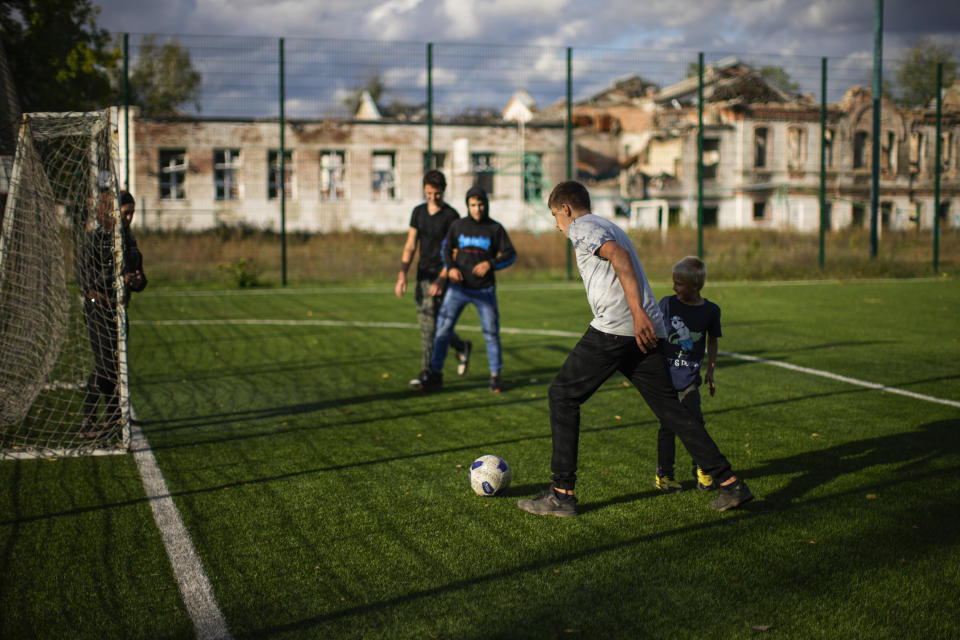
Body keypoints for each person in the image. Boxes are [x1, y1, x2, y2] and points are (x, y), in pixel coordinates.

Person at [517, 181, 752, 517]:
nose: (557, 224)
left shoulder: (581, 226)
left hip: (618, 326)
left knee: (561, 395)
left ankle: (561, 494)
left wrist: (637, 311)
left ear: (566, 209)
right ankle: (730, 484)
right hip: (646, 330)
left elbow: (619, 257)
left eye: (556, 215)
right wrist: (643, 315)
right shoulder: (607, 224)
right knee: (671, 410)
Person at [421, 185, 516, 393]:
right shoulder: (458, 226)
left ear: (486, 204)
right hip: (457, 289)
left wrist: (490, 264)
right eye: (473, 205)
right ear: (468, 206)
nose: (477, 209)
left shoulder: (495, 229)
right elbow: (445, 250)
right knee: (443, 330)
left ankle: (495, 376)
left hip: (485, 291)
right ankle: (435, 373)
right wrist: (451, 268)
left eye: (480, 204)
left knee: (491, 333)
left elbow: (510, 254)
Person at [395, 170, 470, 388]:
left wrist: (442, 278)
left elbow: (454, 251)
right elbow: (410, 245)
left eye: (437, 194)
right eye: (429, 193)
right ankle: (460, 346)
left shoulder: (451, 216)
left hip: (442, 276)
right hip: (423, 275)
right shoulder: (418, 213)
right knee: (436, 326)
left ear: (443, 192)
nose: (432, 198)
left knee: (429, 326)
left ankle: (428, 372)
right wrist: (402, 273)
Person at [654, 256, 720, 493]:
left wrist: (711, 370)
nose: (674, 288)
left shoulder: (711, 311)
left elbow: (712, 342)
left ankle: (702, 468)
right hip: (665, 380)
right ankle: (665, 474)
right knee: (667, 427)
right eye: (674, 282)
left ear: (695, 286)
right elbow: (656, 336)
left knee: (695, 425)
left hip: (689, 379)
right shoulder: (667, 304)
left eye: (679, 284)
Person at [78, 190, 122, 439]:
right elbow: (84, 280)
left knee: (116, 365)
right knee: (104, 365)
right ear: (102, 212)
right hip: (98, 311)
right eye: (113, 210)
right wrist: (98, 297)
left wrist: (135, 280)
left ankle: (115, 417)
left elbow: (138, 274)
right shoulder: (93, 240)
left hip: (119, 311)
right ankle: (88, 419)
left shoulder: (124, 239)